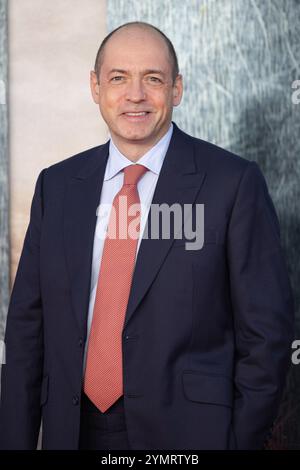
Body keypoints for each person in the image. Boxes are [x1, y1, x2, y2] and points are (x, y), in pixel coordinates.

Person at [0, 21, 294, 450]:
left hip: (190, 437)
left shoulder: (233, 183)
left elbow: (266, 336)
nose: (135, 95)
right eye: (118, 78)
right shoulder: (57, 186)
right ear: (95, 87)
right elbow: (28, 330)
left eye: (152, 79)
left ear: (176, 89)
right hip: (73, 430)